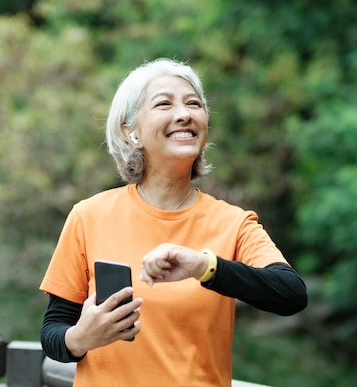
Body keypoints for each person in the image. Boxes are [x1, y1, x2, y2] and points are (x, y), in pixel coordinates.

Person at [39, 58, 307, 387]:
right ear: (131, 132)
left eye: (193, 103)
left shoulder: (233, 222)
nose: (184, 113)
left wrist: (204, 266)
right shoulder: (88, 215)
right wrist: (80, 338)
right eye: (164, 103)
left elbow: (291, 294)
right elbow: (53, 332)